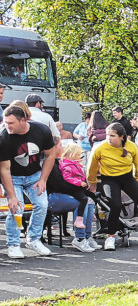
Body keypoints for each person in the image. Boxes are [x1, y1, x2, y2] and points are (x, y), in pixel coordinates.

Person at [87, 123, 138, 249]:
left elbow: (137, 164)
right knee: (115, 205)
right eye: (108, 135)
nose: (109, 138)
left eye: (112, 136)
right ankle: (110, 237)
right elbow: (91, 167)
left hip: (127, 177)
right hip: (108, 178)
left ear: (121, 137)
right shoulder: (100, 147)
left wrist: (136, 180)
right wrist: (92, 182)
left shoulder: (131, 146)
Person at [0, 105, 58, 258]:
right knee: (16, 208)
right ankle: (13, 243)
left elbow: (50, 155)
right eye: (5, 122)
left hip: (34, 175)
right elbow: (4, 169)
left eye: (11, 123)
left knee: (42, 204)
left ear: (23, 120)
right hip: (12, 177)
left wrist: (43, 179)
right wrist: (12, 197)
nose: (7, 126)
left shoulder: (41, 131)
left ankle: (33, 239)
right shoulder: (3, 136)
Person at [47, 141, 98, 252]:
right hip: (53, 196)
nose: (63, 147)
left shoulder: (60, 162)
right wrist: (79, 186)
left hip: (64, 193)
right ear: (53, 147)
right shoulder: (52, 164)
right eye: (60, 145)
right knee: (80, 202)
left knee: (89, 200)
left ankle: (87, 236)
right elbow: (61, 185)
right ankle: (80, 238)